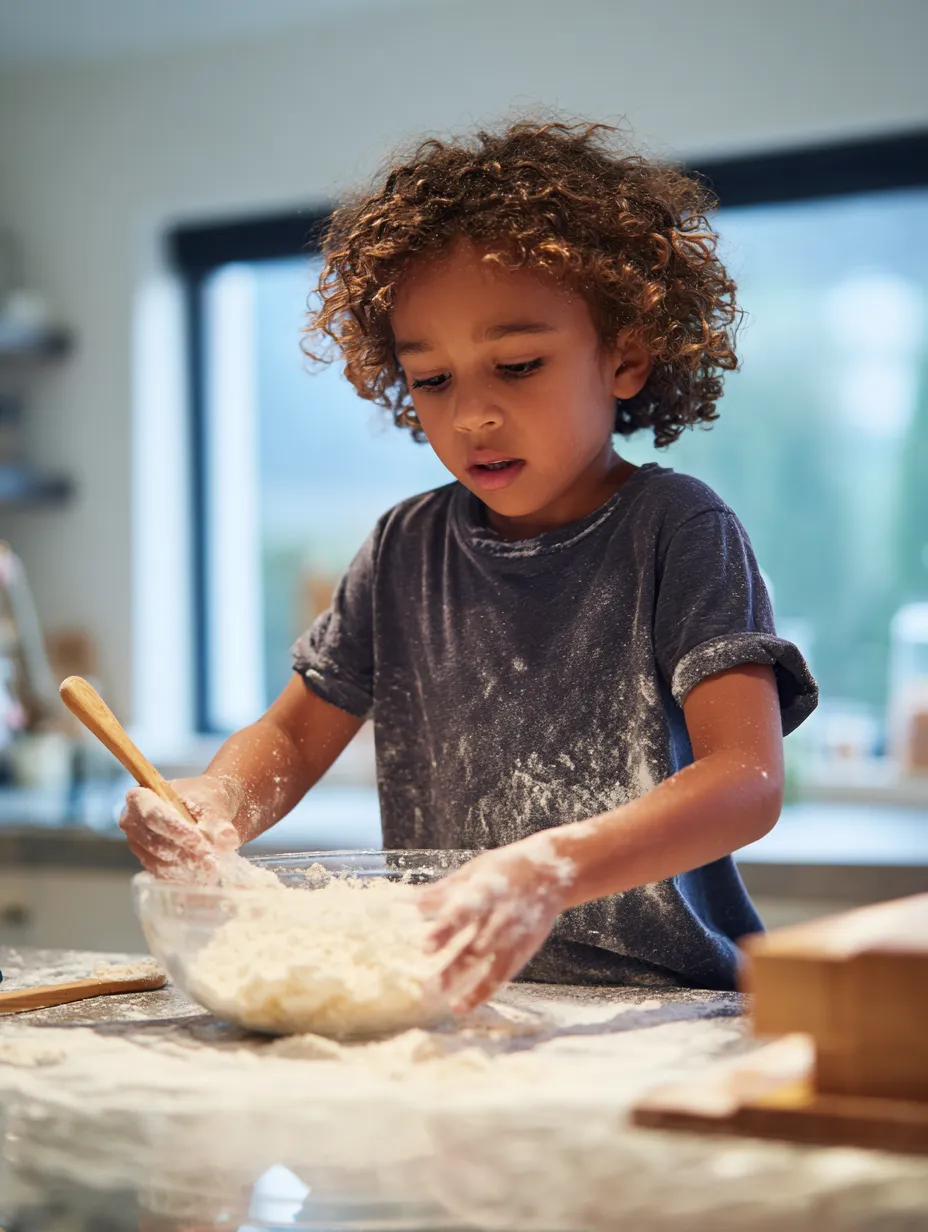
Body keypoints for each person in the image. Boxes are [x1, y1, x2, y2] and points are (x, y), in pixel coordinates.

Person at [122, 119, 817, 1011]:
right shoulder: (404, 549)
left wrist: (547, 866)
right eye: (433, 380)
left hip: (662, 1007)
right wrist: (217, 803)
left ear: (627, 356)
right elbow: (293, 737)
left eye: (518, 365)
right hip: (458, 1000)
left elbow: (745, 781)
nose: (473, 416)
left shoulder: (676, 530)